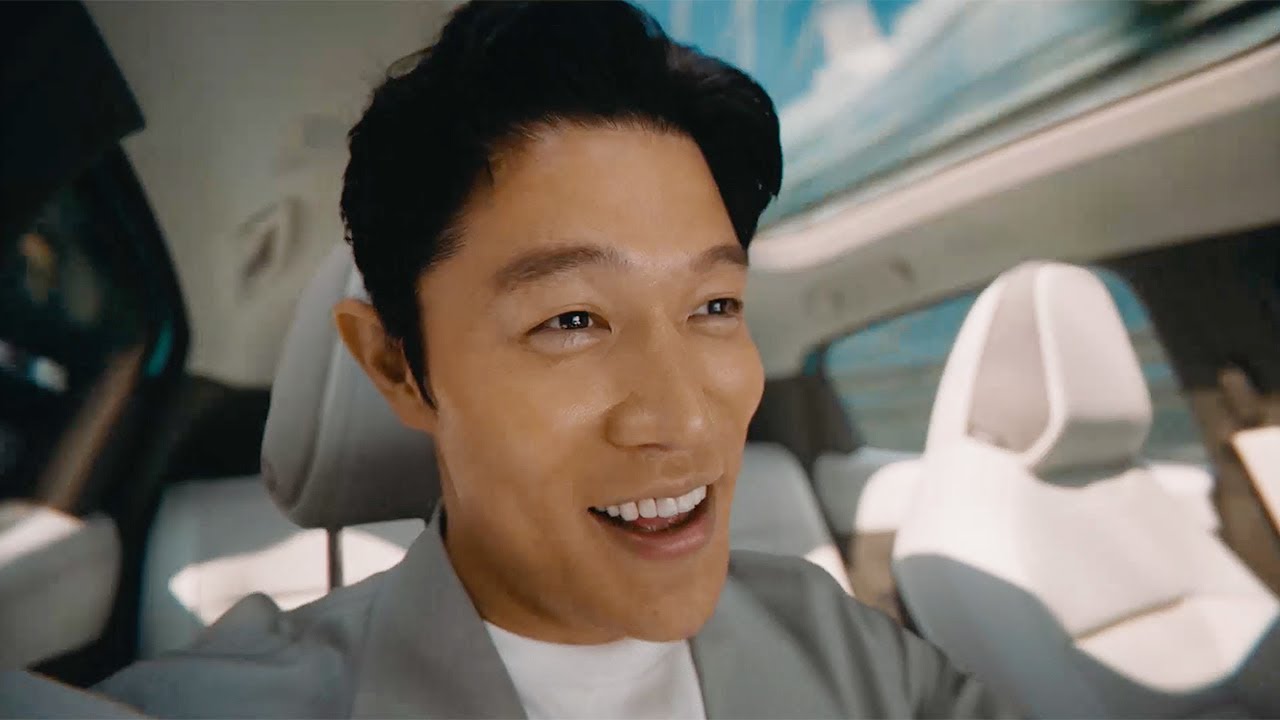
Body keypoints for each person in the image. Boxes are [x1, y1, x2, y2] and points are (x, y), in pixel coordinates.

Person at [91, 2, 1019, 717]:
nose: (685, 419)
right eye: (573, 320)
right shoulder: (227, 702)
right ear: (397, 368)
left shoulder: (842, 646)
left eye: (714, 306)